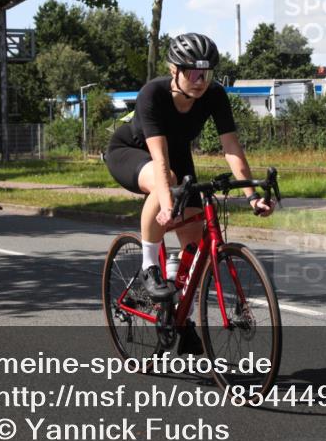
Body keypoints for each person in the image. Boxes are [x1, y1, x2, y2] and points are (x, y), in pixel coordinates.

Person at [105, 33, 275, 351]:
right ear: (174, 70)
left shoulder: (214, 95)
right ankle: (149, 269)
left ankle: (175, 313)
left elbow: (231, 147)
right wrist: (168, 204)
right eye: (192, 73)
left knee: (195, 243)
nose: (200, 81)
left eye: (206, 74)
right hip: (132, 151)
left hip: (178, 154)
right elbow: (159, 159)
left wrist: (251, 195)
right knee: (166, 178)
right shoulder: (152, 94)